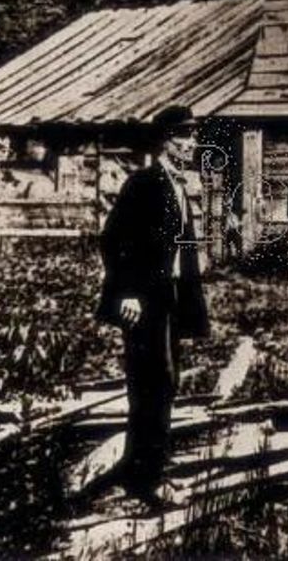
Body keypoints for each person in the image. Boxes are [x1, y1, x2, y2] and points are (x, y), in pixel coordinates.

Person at [95, 105, 209, 509]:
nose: (192, 144)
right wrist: (125, 293)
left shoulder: (179, 185)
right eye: (185, 137)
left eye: (194, 136)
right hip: (144, 301)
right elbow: (113, 240)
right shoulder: (144, 183)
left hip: (170, 298)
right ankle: (147, 479)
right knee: (152, 384)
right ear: (166, 142)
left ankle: (145, 467)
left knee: (164, 382)